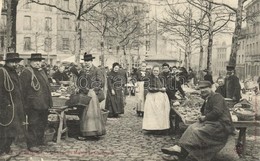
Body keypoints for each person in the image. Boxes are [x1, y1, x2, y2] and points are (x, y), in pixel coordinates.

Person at [161, 81, 235, 161]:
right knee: (191, 127)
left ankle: (181, 153)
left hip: (221, 125)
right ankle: (179, 149)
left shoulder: (217, 97)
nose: (202, 90)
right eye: (200, 89)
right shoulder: (208, 98)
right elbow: (204, 111)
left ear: (210, 88)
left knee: (197, 132)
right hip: (212, 122)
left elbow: (217, 112)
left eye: (204, 88)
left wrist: (205, 117)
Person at [20, 53, 53, 152]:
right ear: (30, 62)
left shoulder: (42, 71)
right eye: (35, 61)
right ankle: (32, 144)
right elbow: (22, 90)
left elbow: (47, 87)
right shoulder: (26, 72)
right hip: (32, 104)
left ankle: (39, 140)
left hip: (44, 103)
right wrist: (25, 105)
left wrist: (49, 102)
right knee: (33, 124)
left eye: (39, 61)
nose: (38, 63)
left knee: (42, 123)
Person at [0, 53, 26, 159]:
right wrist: (6, 104)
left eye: (16, 62)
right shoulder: (2, 72)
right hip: (7, 106)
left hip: (16, 105)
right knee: (5, 130)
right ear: (7, 62)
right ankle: (1, 151)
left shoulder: (14, 72)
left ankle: (7, 148)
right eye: (13, 62)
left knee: (13, 129)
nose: (15, 64)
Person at [76, 53, 105, 140]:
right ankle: (85, 132)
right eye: (85, 61)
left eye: (88, 61)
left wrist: (93, 90)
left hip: (92, 94)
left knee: (92, 113)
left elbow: (101, 82)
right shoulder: (82, 71)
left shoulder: (96, 70)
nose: (86, 63)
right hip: (83, 94)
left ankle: (94, 132)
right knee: (84, 113)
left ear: (91, 61)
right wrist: (80, 87)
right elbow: (79, 81)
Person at [142, 65, 170, 134]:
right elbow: (149, 88)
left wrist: (164, 88)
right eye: (154, 71)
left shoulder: (160, 78)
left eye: (157, 71)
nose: (155, 72)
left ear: (159, 71)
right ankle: (153, 128)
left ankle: (160, 128)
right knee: (153, 113)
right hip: (152, 97)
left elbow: (164, 85)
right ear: (152, 71)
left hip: (160, 97)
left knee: (160, 113)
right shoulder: (148, 78)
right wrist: (159, 89)